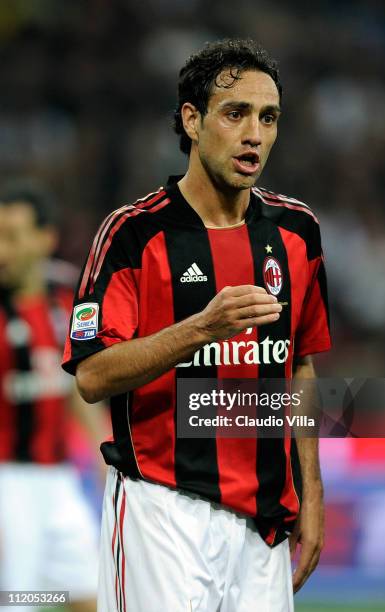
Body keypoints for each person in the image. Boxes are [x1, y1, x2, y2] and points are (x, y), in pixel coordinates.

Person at [62, 38, 331, 611]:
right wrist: (200, 329)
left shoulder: (297, 231)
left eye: (269, 118)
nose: (254, 134)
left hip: (264, 524)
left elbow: (300, 363)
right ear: (192, 119)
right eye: (236, 114)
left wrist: (311, 492)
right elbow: (91, 377)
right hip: (164, 510)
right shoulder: (132, 234)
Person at [0, 182, 103, 612]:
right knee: (19, 601)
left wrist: (101, 451)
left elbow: (77, 382)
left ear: (46, 238)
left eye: (11, 236)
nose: (1, 249)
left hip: (60, 482)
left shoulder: (69, 298)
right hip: (8, 484)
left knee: (90, 595)